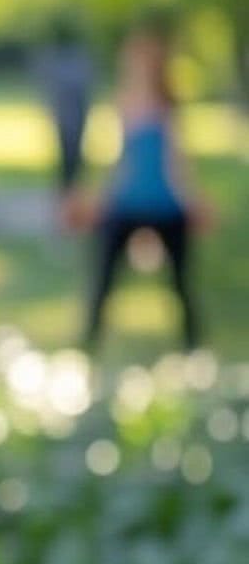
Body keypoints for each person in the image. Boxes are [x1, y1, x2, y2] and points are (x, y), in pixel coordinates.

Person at [79, 21, 213, 352]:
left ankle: (192, 343)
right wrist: (98, 198)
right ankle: (90, 339)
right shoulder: (122, 104)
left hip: (164, 202)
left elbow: (176, 162)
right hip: (126, 202)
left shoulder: (168, 107)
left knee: (181, 282)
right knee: (104, 279)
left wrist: (193, 200)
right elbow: (114, 159)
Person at [33, 15, 94, 199]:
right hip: (67, 116)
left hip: (72, 116)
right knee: (66, 161)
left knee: (73, 160)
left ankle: (72, 196)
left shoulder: (72, 60)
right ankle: (66, 197)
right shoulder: (68, 60)